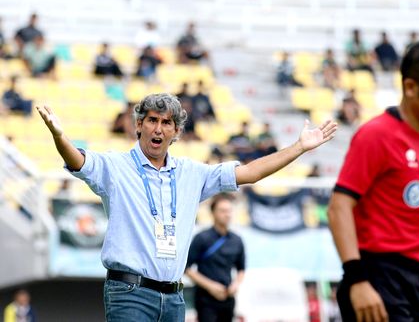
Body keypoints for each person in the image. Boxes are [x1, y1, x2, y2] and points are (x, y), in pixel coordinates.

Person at [36, 93, 337, 321]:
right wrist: (59, 137)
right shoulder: (115, 166)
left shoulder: (193, 173)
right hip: (130, 294)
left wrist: (299, 147)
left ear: (176, 132)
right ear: (138, 125)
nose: (158, 128)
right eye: (152, 120)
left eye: (166, 122)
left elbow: (250, 172)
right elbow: (78, 160)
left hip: (175, 298)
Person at [328, 40, 419, 322]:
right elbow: (339, 207)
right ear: (411, 88)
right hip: (376, 277)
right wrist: (358, 280)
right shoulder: (377, 135)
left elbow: (411, 233)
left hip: (411, 281)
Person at [185, 193, 245, 322]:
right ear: (213, 213)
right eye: (223, 211)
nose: (227, 214)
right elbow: (186, 268)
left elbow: (241, 269)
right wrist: (210, 286)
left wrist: (235, 285)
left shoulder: (237, 240)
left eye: (229, 211)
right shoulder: (202, 238)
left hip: (228, 297)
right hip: (205, 298)